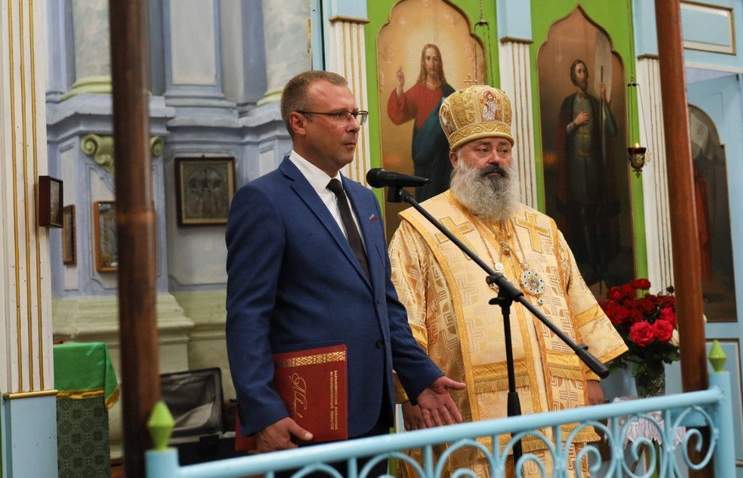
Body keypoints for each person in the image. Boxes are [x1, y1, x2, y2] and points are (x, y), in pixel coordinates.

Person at [226, 70, 466, 464]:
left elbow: (384, 304)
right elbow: (247, 317)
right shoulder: (263, 200)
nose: (354, 126)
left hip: (371, 409)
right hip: (308, 412)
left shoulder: (364, 200)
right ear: (298, 123)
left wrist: (419, 375)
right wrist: (263, 412)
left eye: (357, 114)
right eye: (339, 115)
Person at [389, 84, 627, 477]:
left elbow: (576, 303)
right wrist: (410, 393)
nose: (495, 160)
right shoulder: (422, 227)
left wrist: (589, 375)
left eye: (503, 149)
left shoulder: (542, 226)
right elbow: (404, 316)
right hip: (465, 412)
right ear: (455, 158)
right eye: (482, 150)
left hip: (556, 404)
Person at [556, 59, 619, 286]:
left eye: (585, 71)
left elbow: (612, 130)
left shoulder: (594, 101)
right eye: (579, 72)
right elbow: (560, 135)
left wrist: (604, 101)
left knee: (597, 214)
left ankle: (603, 266)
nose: (583, 75)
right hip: (575, 167)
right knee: (581, 214)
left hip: (594, 166)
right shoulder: (568, 103)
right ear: (574, 77)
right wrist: (575, 122)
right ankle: (591, 266)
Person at [387, 43, 455, 200]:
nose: (432, 63)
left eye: (436, 59)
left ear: (440, 62)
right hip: (424, 154)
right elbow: (400, 114)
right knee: (426, 197)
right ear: (423, 62)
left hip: (444, 155)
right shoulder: (418, 91)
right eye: (428, 58)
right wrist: (399, 87)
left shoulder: (449, 92)